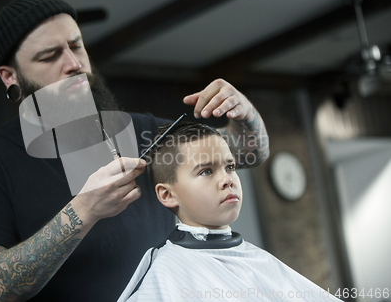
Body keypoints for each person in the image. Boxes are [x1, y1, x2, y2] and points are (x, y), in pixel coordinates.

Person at [0, 0, 270, 302]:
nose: (73, 64)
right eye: (49, 56)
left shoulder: (143, 132)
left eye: (76, 46)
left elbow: (247, 154)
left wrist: (245, 113)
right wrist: (84, 211)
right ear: (9, 76)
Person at [118, 122, 341, 302]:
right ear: (167, 195)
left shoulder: (258, 260)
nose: (227, 179)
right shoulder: (166, 275)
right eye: (206, 171)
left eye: (230, 167)